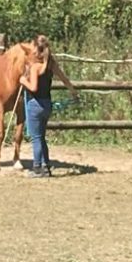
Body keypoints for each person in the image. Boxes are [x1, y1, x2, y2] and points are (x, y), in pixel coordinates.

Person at [19, 34, 78, 177]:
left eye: (34, 48)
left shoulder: (35, 67)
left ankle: (37, 168)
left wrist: (23, 81)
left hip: (35, 104)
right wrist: (73, 92)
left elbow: (32, 88)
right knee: (41, 137)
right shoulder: (51, 65)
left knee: (36, 138)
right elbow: (64, 78)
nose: (32, 51)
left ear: (38, 52)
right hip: (46, 104)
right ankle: (46, 166)